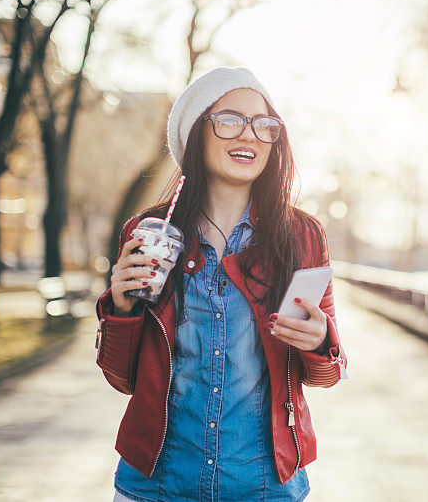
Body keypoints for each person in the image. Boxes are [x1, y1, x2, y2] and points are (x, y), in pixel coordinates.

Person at [95, 66, 348, 501]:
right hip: (155, 486)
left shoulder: (302, 237)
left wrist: (320, 339)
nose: (249, 135)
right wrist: (120, 309)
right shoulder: (150, 233)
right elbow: (121, 377)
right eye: (229, 120)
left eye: (264, 124)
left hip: (264, 487)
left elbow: (326, 375)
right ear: (196, 132)